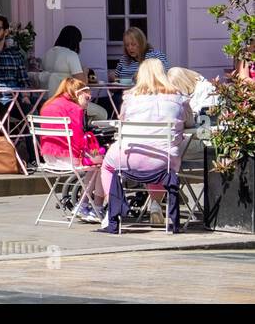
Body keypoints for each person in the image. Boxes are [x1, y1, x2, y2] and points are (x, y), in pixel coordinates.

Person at [100, 58, 191, 223]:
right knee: (156, 156)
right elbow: (189, 121)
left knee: (107, 166)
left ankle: (111, 206)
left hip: (128, 156)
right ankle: (155, 203)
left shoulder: (129, 97)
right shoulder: (179, 97)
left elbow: (122, 120)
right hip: (164, 161)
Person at [37, 77, 106, 223]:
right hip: (67, 157)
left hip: (48, 157)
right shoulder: (74, 109)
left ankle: (84, 205)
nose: (88, 101)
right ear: (78, 93)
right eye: (87, 97)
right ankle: (95, 206)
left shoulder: (48, 104)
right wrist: (96, 154)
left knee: (96, 161)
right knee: (101, 164)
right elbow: (79, 142)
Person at [40, 25, 109, 121]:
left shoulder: (47, 54)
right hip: (68, 103)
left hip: (48, 104)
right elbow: (82, 84)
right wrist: (85, 71)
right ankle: (85, 133)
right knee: (102, 113)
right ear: (75, 42)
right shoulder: (71, 55)